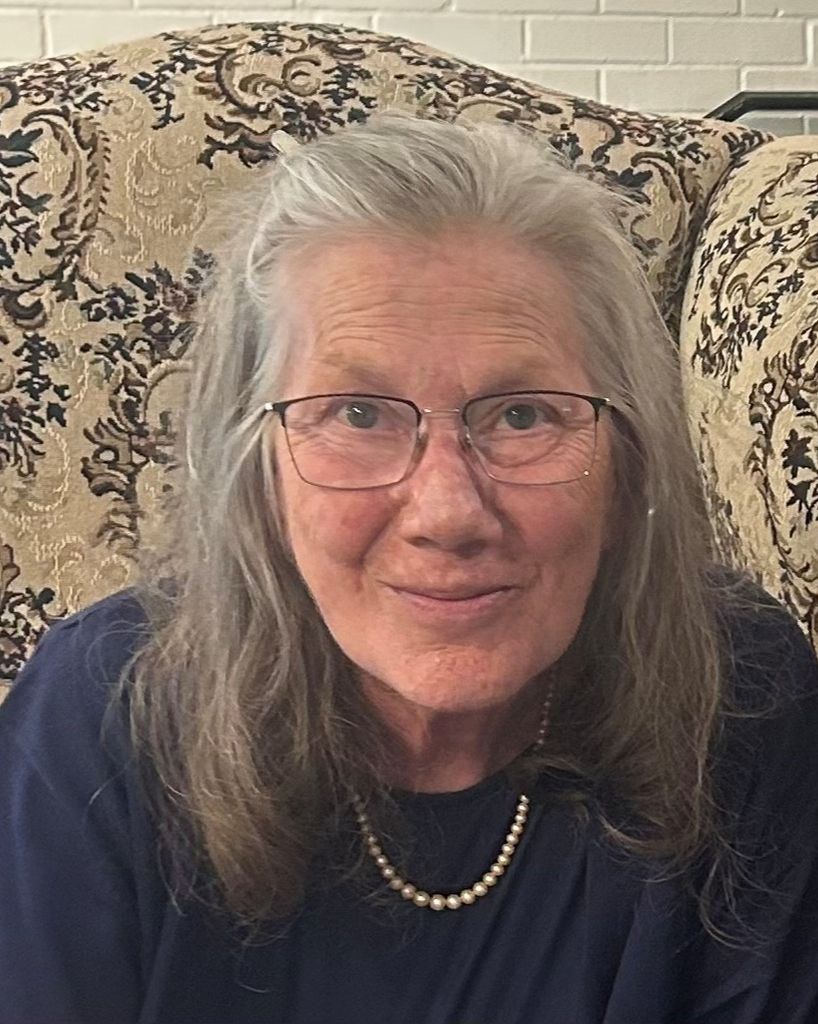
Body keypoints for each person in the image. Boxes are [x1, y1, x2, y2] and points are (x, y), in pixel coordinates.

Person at [1, 113, 817, 1024]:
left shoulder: (738, 695)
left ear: (627, 466)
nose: (447, 512)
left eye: (522, 415)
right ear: (258, 474)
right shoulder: (103, 712)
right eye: (357, 414)